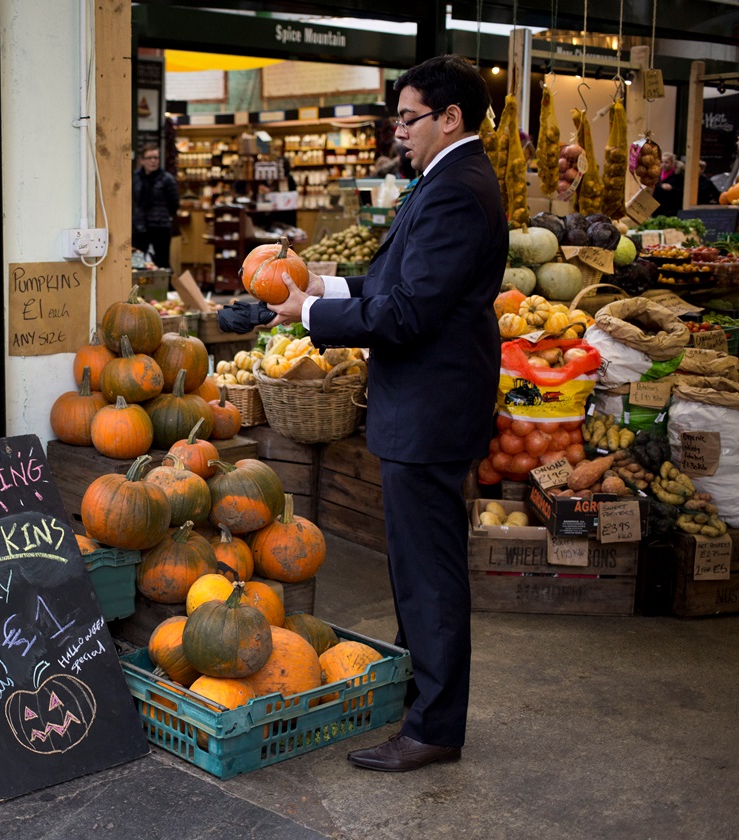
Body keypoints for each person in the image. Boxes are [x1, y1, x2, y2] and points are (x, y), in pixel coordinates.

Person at [266, 54, 507, 772]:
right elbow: (397, 279)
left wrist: (310, 311)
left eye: (408, 118)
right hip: (428, 405)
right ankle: (420, 702)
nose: (398, 132)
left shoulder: (458, 189)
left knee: (429, 573)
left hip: (431, 409)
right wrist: (324, 282)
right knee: (417, 567)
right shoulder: (446, 182)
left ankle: (434, 728)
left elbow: (407, 312)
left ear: (450, 117)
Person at [132, 144, 178, 269]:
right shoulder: (135, 178)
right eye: (149, 158)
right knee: (136, 262)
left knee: (162, 263)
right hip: (139, 226)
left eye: (156, 158)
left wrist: (163, 215)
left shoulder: (167, 179)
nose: (153, 161)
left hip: (160, 226)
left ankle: (162, 288)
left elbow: (174, 204)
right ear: (142, 160)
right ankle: (137, 287)